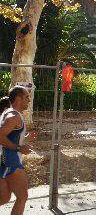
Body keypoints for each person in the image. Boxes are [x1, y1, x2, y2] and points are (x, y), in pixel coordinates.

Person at [0, 86, 37, 215]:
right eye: (27, 97)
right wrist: (19, 148)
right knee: (22, 196)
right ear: (18, 99)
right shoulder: (13, 116)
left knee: (4, 198)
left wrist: (25, 138)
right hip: (11, 161)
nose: (29, 100)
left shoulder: (9, 113)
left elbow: (10, 135)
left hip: (4, 159)